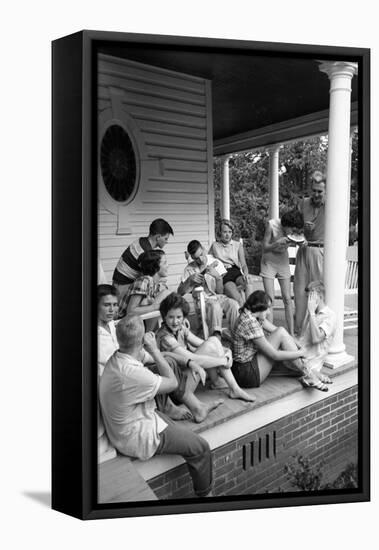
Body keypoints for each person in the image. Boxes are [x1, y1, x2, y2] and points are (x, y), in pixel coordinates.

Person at [99, 315, 213, 497]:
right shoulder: (132, 373)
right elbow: (173, 383)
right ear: (142, 339)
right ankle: (206, 497)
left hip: (135, 419)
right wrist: (154, 349)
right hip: (138, 436)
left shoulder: (120, 355)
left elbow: (163, 360)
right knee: (200, 448)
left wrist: (190, 362)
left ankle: (178, 409)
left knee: (168, 363)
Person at [97, 284, 190, 421]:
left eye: (115, 304)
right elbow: (120, 359)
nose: (112, 309)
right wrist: (151, 356)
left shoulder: (110, 324)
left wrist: (155, 355)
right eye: (107, 305)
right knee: (156, 367)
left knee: (166, 361)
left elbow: (129, 352)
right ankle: (167, 407)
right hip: (114, 381)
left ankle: (174, 405)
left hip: (129, 368)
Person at [156, 293, 255, 402]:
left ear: (184, 317)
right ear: (164, 317)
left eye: (179, 317)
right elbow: (193, 359)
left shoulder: (180, 329)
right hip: (177, 389)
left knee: (213, 341)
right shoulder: (165, 337)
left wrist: (227, 351)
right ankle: (226, 385)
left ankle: (223, 384)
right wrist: (223, 361)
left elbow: (203, 343)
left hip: (186, 376)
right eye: (171, 317)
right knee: (209, 346)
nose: (175, 322)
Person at [231, 290, 328, 392]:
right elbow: (275, 355)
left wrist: (298, 344)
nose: (269, 312)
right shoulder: (249, 323)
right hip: (246, 373)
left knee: (284, 341)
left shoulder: (251, 314)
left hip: (248, 363)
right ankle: (309, 373)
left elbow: (276, 331)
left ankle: (309, 373)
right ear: (259, 307)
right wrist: (301, 352)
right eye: (267, 309)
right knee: (288, 351)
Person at [178, 240, 239, 338]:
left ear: (203, 248)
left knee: (234, 304)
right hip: (203, 301)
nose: (201, 260)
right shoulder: (189, 269)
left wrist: (218, 278)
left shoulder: (215, 262)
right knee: (214, 306)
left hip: (218, 297)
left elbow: (220, 292)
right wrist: (189, 280)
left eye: (202, 254)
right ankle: (216, 337)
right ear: (192, 258)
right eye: (196, 258)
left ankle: (237, 335)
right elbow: (179, 292)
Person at [260, 209, 304, 336]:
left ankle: (291, 334)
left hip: (282, 262)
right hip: (268, 262)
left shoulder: (295, 230)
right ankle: (270, 335)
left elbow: (300, 239)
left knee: (287, 299)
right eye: (292, 230)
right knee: (270, 300)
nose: (294, 233)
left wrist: (301, 243)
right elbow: (264, 247)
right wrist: (275, 244)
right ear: (285, 225)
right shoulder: (272, 225)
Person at [294, 171, 326, 334]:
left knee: (318, 292)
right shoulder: (303, 203)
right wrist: (301, 229)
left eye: (320, 191)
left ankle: (318, 331)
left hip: (320, 251)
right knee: (299, 292)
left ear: (326, 191)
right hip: (303, 249)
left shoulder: (331, 204)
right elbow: (292, 226)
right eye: (314, 190)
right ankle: (299, 331)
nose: (316, 194)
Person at [112, 218, 174, 299]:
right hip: (122, 288)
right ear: (158, 237)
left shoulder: (142, 241)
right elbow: (150, 279)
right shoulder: (145, 252)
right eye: (166, 238)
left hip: (119, 284)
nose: (166, 242)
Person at [117, 249, 171, 329]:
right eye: (165, 263)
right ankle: (148, 334)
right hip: (123, 325)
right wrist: (157, 306)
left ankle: (150, 334)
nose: (168, 265)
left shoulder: (155, 284)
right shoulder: (143, 281)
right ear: (155, 266)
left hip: (137, 324)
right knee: (165, 293)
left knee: (165, 293)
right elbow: (131, 311)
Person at [297, 281, 336, 386]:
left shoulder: (330, 316)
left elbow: (316, 339)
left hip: (310, 361)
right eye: (307, 297)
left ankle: (312, 373)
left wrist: (311, 313)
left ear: (319, 296)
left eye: (310, 297)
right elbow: (301, 339)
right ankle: (315, 375)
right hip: (299, 355)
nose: (308, 301)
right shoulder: (310, 312)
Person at [209, 219, 254, 306]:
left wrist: (246, 274)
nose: (227, 235)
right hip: (224, 274)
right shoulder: (215, 246)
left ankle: (251, 310)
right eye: (224, 232)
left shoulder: (237, 245)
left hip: (235, 271)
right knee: (239, 299)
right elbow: (208, 260)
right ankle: (245, 316)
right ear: (220, 232)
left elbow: (244, 264)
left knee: (249, 282)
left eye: (230, 232)